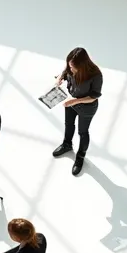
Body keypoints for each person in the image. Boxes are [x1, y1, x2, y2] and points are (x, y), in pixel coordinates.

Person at [51, 47, 103, 176]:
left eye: (74, 67)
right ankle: (67, 145)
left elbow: (94, 96)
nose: (71, 69)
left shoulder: (96, 75)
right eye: (70, 66)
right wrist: (60, 78)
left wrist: (75, 101)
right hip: (71, 101)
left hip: (87, 107)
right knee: (68, 124)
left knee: (83, 132)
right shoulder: (70, 67)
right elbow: (65, 71)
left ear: (83, 65)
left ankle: (80, 157)